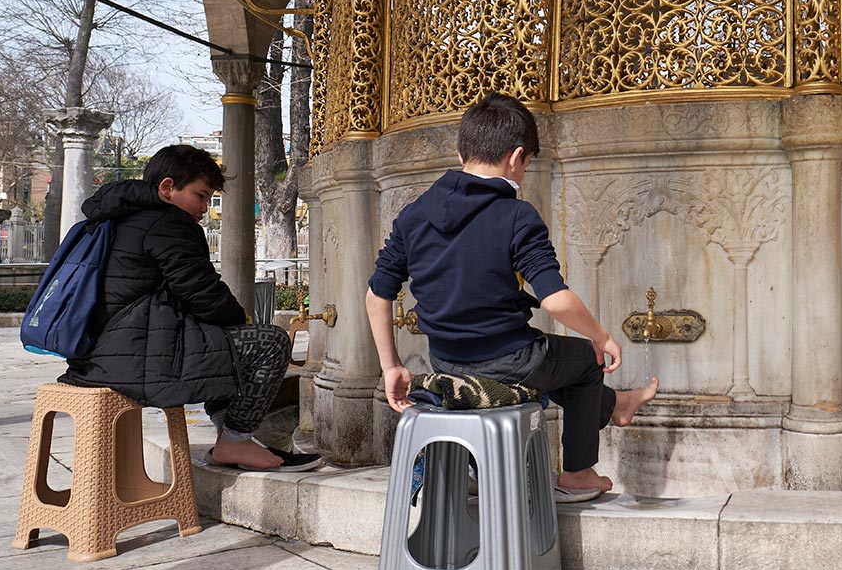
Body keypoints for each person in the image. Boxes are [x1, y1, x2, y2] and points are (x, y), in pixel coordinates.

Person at [366, 93, 658, 503]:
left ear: (461, 150)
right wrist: (602, 337)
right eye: (527, 164)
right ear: (516, 157)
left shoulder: (414, 214)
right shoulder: (517, 215)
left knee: (559, 365)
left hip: (445, 360)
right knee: (585, 363)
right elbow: (555, 299)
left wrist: (390, 366)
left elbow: (377, 295)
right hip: (509, 360)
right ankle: (578, 473)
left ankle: (618, 404)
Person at [61, 145, 322, 472]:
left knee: (219, 341)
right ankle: (235, 440)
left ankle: (229, 434)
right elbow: (202, 293)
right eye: (200, 196)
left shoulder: (117, 217)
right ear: (167, 188)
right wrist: (242, 318)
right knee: (269, 342)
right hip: (134, 358)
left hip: (98, 356)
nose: (203, 207)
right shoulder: (167, 222)